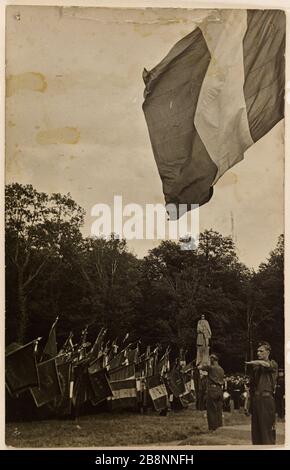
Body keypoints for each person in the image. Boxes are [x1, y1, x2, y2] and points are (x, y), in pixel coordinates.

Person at [246, 341, 278, 445]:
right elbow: (251, 388)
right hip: (256, 401)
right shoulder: (255, 368)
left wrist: (254, 362)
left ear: (268, 352)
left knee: (267, 431)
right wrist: (247, 404)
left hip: (266, 400)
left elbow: (266, 365)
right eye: (257, 351)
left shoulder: (273, 364)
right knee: (256, 433)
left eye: (261, 351)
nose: (258, 353)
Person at [198, 353, 224, 432]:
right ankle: (219, 427)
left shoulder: (211, 368)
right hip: (220, 390)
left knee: (211, 410)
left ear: (212, 360)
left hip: (212, 390)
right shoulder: (221, 369)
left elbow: (200, 367)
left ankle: (213, 428)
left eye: (210, 359)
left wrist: (201, 364)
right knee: (219, 410)